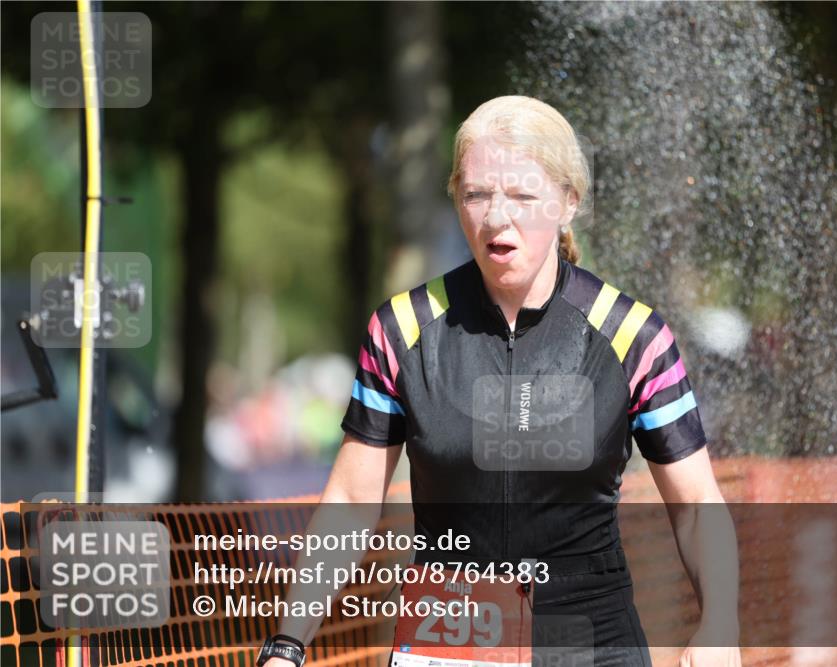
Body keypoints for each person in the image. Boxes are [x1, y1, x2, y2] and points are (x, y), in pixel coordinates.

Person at [260, 95, 741, 667]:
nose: (496, 218)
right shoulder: (401, 329)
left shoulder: (634, 335)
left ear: (568, 202)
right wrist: (286, 645)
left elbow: (696, 504)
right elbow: (350, 501)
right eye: (477, 195)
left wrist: (720, 625)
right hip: (448, 640)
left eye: (521, 196)